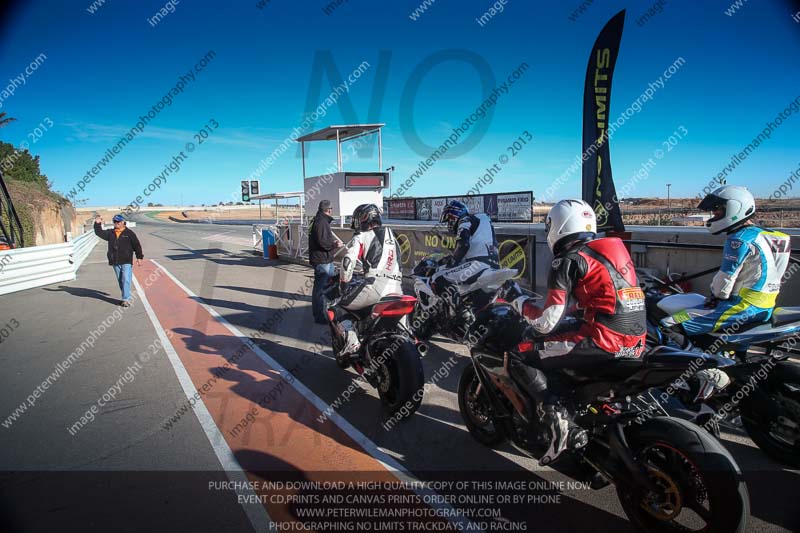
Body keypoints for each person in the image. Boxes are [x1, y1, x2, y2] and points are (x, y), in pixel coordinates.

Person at [500, 199, 646, 465]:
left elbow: (546, 322)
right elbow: (595, 299)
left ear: (558, 225)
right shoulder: (614, 248)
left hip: (603, 341)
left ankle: (558, 419)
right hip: (636, 341)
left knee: (519, 355)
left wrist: (516, 301)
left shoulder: (567, 260)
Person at [662, 185, 791, 343]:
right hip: (766, 306)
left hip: (739, 308)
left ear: (735, 208)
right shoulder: (778, 236)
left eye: (718, 209)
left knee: (668, 324)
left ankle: (697, 363)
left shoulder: (739, 239)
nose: (714, 214)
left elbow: (726, 279)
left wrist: (715, 297)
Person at [331, 204, 402, 356]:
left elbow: (347, 263)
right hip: (398, 288)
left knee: (336, 307)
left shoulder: (362, 236)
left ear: (362, 219)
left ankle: (352, 343)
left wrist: (343, 285)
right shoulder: (393, 236)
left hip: (375, 286)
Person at [431, 200, 499, 326]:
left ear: (456, 215)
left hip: (477, 264)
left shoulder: (465, 220)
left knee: (438, 278)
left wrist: (451, 261)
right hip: (494, 265)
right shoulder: (484, 220)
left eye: (450, 219)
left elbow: (463, 244)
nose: (449, 224)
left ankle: (458, 317)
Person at [94, 214, 143, 306]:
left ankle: (126, 299)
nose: (116, 223)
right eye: (115, 222)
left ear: (123, 222)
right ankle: (125, 294)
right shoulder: (110, 233)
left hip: (126, 260)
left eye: (118, 222)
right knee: (121, 280)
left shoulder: (129, 233)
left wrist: (139, 257)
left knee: (126, 278)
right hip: (115, 260)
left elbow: (136, 245)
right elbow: (99, 232)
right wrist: (97, 223)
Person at [309, 200, 342, 324]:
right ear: (329, 210)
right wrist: (334, 245)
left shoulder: (316, 220)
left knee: (323, 287)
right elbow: (322, 242)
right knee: (322, 289)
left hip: (321, 258)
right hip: (323, 260)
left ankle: (324, 313)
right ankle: (321, 316)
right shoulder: (322, 222)